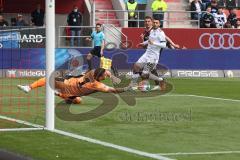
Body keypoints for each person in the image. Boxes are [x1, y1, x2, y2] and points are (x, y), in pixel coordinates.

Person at [17, 68, 131, 104]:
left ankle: (58, 93)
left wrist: (110, 75)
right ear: (99, 76)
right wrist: (126, 88)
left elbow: (103, 70)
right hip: (66, 84)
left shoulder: (91, 72)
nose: (105, 78)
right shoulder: (97, 85)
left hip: (67, 84)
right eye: (104, 77)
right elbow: (114, 90)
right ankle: (29, 87)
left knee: (78, 101)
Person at [140, 16, 181, 90]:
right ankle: (159, 83)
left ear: (151, 22)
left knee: (147, 68)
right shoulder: (145, 32)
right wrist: (142, 40)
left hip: (157, 51)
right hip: (150, 52)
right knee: (151, 69)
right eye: (146, 21)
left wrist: (173, 44)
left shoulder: (155, 29)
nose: (147, 23)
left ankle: (146, 84)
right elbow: (146, 46)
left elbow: (165, 37)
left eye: (149, 21)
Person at [130, 18, 167, 91]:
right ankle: (133, 85)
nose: (155, 24)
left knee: (144, 74)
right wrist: (143, 43)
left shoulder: (161, 33)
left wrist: (154, 43)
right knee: (136, 67)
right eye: (154, 23)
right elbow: (149, 40)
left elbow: (164, 45)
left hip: (153, 56)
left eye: (157, 23)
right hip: (147, 53)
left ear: (159, 24)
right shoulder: (152, 31)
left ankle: (161, 80)